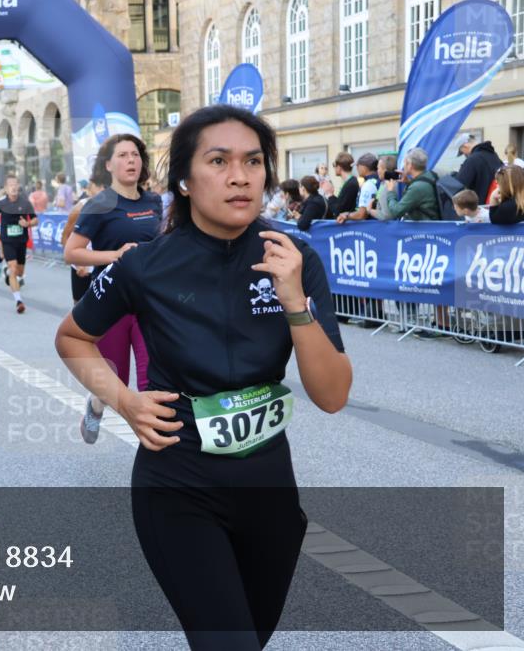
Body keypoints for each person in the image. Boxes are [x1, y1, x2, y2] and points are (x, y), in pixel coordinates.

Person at [55, 104, 351, 650]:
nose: (240, 176)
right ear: (186, 182)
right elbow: (72, 337)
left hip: (269, 488)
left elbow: (332, 396)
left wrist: (295, 304)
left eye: (254, 161)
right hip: (178, 484)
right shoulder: (144, 264)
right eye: (219, 161)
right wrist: (124, 400)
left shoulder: (294, 259)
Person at [63, 133, 161, 444]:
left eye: (135, 155)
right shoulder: (99, 204)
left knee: (153, 380)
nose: (131, 160)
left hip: (149, 301)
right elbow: (72, 252)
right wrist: (115, 255)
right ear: (109, 165)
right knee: (113, 380)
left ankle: (156, 453)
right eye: (122, 155)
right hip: (111, 300)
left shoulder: (153, 201)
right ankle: (95, 405)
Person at [0, 175, 36, 314]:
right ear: (6, 188)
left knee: (19, 272)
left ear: (18, 187)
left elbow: (36, 220)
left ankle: (9, 273)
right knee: (13, 268)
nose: (13, 187)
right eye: (10, 184)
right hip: (7, 240)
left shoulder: (25, 203)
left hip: (21, 241)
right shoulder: (0, 204)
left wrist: (28, 223)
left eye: (15, 184)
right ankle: (18, 301)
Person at [62, 179, 104, 303]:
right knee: (79, 305)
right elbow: (65, 237)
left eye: (104, 187)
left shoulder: (116, 207)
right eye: (98, 186)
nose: (102, 191)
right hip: (82, 264)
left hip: (104, 263)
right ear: (90, 190)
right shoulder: (80, 207)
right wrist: (78, 263)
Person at [383, 148, 440, 221]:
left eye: (405, 163)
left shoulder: (417, 187)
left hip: (422, 229)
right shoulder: (430, 175)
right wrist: (408, 182)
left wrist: (390, 192)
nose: (403, 166)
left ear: (410, 165)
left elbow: (397, 211)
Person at [455, 134, 503, 204]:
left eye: (462, 152)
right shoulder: (494, 156)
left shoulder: (472, 159)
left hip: (479, 207)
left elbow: (459, 186)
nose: (464, 155)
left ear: (465, 146)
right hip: (496, 204)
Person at [336, 153, 379, 223]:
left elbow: (361, 214)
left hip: (368, 228)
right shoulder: (378, 180)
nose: (356, 168)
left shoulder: (368, 184)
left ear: (364, 167)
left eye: (358, 165)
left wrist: (347, 215)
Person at [326, 152, 359, 217]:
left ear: (339, 167)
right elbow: (341, 204)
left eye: (334, 165)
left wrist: (330, 195)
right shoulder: (351, 182)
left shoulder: (350, 184)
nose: (334, 168)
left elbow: (338, 211)